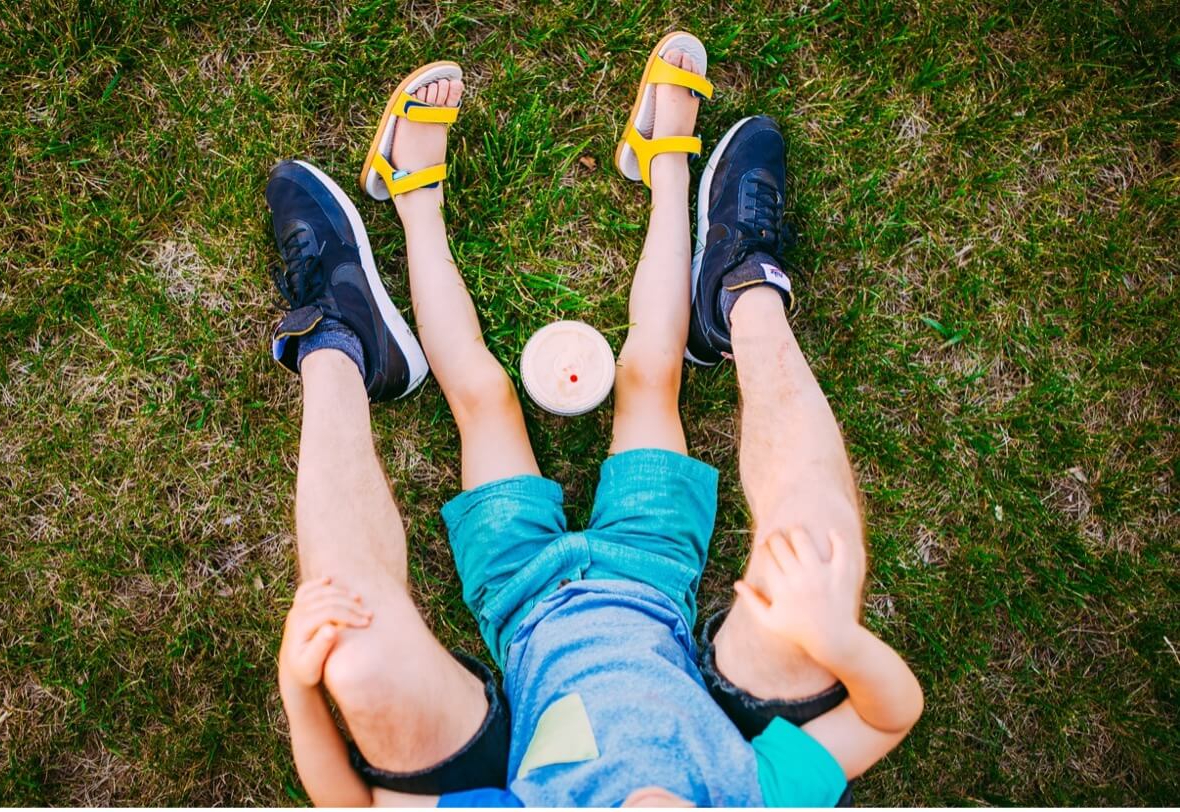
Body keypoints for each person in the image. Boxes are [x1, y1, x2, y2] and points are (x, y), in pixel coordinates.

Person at [266, 31, 923, 807]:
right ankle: (666, 162)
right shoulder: (748, 795)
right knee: (653, 375)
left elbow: (361, 807)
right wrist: (836, 642)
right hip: (653, 567)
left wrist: (300, 690)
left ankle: (413, 200)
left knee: (483, 397)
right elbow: (889, 716)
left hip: (519, 591)